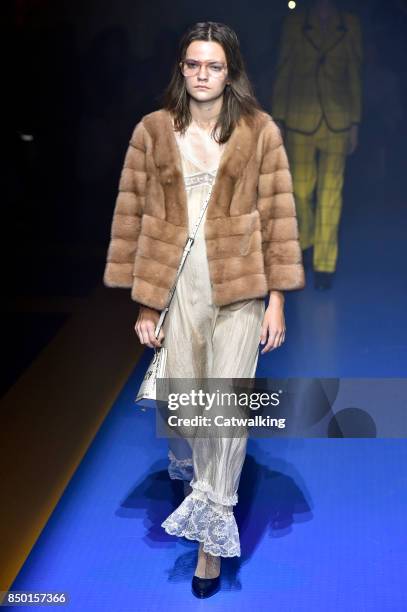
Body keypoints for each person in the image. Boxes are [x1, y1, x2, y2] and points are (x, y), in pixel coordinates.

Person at [103, 21, 305, 598]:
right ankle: (198, 480)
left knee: (226, 407)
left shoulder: (259, 131)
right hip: (177, 286)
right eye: (193, 65)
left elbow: (279, 216)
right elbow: (132, 216)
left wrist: (277, 298)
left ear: (230, 70)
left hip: (241, 284)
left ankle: (210, 544)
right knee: (188, 407)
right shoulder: (152, 131)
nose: (202, 75)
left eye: (213, 66)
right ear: (181, 68)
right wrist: (145, 300)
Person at [272, 0, 363, 289]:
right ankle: (307, 241)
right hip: (299, 117)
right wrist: (280, 118)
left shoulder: (349, 24)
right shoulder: (294, 24)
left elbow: (354, 74)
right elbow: (283, 70)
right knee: (299, 189)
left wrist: (355, 122)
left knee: (331, 192)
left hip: (338, 119)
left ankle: (325, 265)